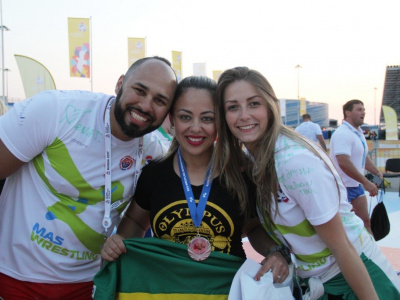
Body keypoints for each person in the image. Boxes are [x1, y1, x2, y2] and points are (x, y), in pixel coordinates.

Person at [214, 66, 400, 299]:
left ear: (270, 107)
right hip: (319, 280)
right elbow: (253, 227)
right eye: (233, 107)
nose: (243, 115)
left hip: (358, 273)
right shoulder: (252, 159)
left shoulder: (293, 162)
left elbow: (342, 247)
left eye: (254, 104)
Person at [0, 56, 177, 299]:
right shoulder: (56, 110)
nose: (146, 106)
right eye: (139, 90)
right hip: (16, 279)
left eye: (160, 101)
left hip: (92, 285)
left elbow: (140, 222)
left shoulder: (154, 151)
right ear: (120, 84)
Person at [98, 76, 289, 297]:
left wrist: (275, 252)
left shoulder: (240, 174)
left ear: (220, 123)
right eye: (185, 117)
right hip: (165, 290)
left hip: (226, 291)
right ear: (171, 120)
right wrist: (120, 241)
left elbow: (253, 228)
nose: (195, 128)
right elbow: (135, 220)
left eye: (207, 118)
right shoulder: (154, 174)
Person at [329, 100, 382, 235]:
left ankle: (371, 254)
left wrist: (376, 172)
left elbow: (363, 156)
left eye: (364, 109)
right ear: (348, 113)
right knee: (343, 229)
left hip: (355, 186)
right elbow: (343, 162)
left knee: (365, 222)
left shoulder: (357, 132)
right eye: (359, 109)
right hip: (341, 188)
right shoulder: (343, 134)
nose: (363, 112)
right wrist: (366, 182)